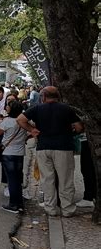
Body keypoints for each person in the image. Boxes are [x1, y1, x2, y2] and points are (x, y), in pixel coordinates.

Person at [17, 86, 83, 217]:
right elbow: (79, 127)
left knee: (47, 179)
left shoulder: (37, 108)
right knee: (66, 179)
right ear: (58, 96)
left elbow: (20, 119)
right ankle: (67, 209)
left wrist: (32, 130)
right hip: (64, 147)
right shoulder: (67, 109)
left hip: (44, 147)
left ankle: (50, 208)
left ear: (43, 97)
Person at [0, 101, 27, 213]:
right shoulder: (24, 121)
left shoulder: (7, 122)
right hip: (20, 153)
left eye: (8, 106)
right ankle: (19, 203)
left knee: (11, 180)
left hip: (8, 153)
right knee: (17, 178)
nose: (6, 107)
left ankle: (13, 204)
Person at [76, 133, 96, 208]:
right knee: (90, 169)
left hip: (89, 139)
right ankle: (93, 195)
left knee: (87, 169)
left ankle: (89, 197)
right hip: (90, 139)